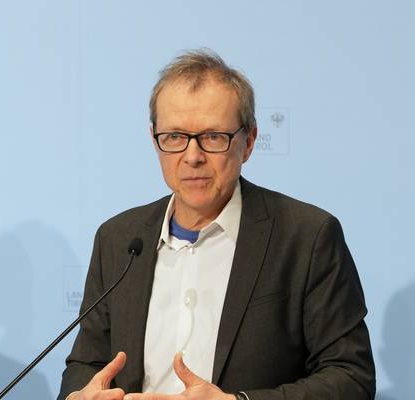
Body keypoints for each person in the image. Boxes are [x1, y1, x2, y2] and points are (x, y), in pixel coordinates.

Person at [58, 49, 375, 400]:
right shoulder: (118, 239)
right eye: (175, 137)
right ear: (155, 140)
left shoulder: (306, 237)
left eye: (213, 137)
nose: (192, 157)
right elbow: (85, 364)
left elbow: (351, 378)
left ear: (248, 142)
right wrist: (79, 396)